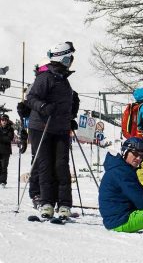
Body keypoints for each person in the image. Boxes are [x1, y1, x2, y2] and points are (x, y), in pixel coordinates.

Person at [25, 41, 79, 219]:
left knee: (62, 165)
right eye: (69, 57)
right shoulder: (45, 77)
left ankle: (64, 204)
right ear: (63, 58)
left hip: (60, 127)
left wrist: (69, 119)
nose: (71, 61)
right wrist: (43, 106)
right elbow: (31, 97)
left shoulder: (63, 79)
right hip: (42, 127)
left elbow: (65, 105)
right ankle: (46, 202)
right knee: (45, 164)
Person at [0, 114, 14, 186]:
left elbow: (9, 139)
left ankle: (3, 181)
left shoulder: (10, 129)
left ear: (7, 121)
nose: (4, 121)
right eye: (2, 120)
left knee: (4, 166)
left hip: (6, 151)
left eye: (5, 120)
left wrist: (1, 138)